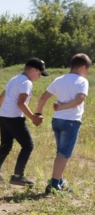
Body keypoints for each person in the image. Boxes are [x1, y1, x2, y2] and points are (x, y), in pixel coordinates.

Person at [34, 53, 91, 194]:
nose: (88, 72)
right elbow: (80, 99)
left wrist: (38, 113)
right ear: (82, 67)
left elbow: (44, 97)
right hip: (71, 121)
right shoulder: (82, 81)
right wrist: (62, 107)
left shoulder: (59, 79)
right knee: (63, 154)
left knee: (60, 152)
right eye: (88, 69)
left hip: (57, 121)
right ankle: (54, 185)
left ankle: (59, 180)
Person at [0, 58, 48, 186]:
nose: (40, 76)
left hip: (4, 116)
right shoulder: (26, 82)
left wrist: (5, 110)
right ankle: (18, 176)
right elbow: (21, 103)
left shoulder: (14, 79)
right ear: (33, 70)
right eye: (39, 73)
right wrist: (33, 117)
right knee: (28, 145)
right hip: (15, 118)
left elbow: (2, 97)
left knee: (5, 146)